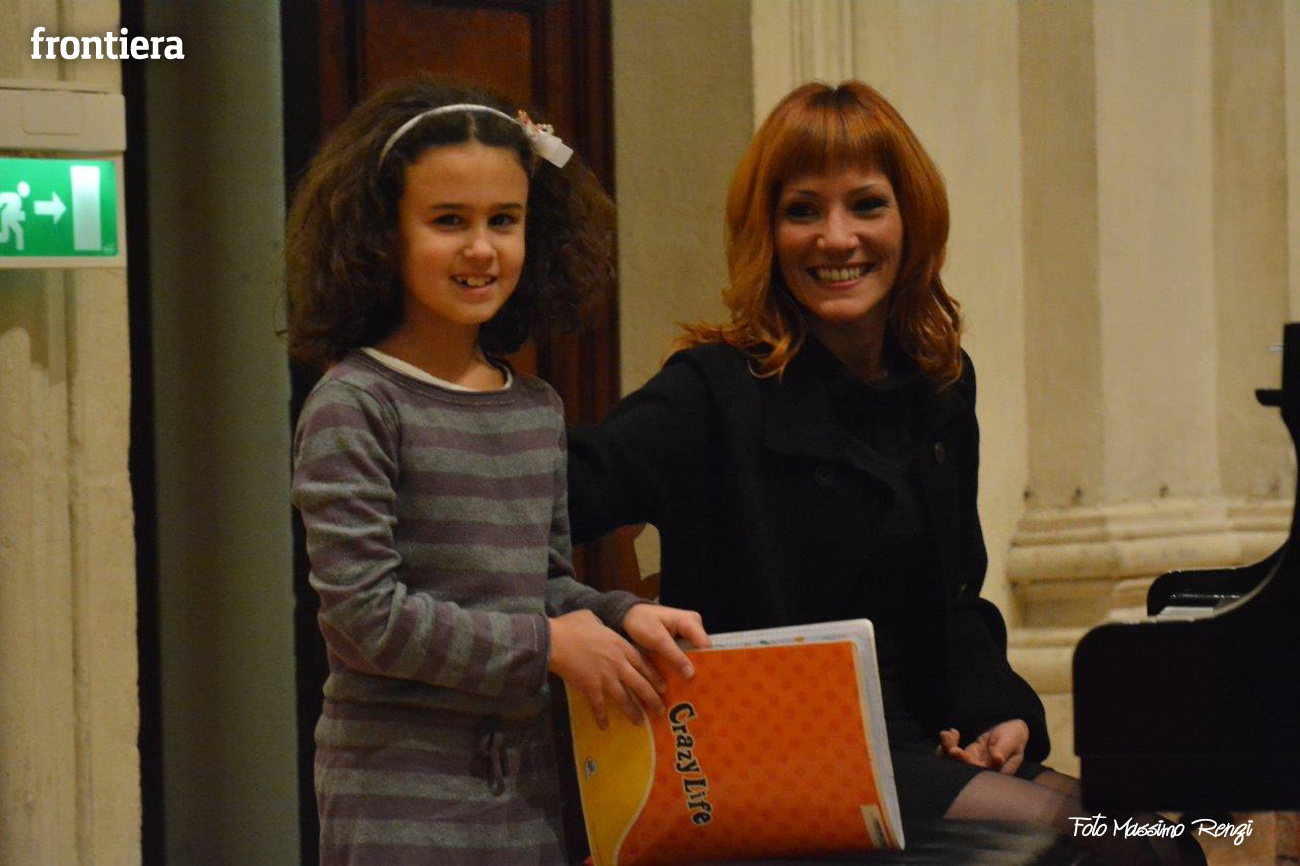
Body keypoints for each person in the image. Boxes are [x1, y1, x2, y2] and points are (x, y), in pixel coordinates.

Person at [567, 81, 1203, 864]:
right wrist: (592, 615)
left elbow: (956, 599)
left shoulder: (939, 383)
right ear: (767, 232)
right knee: (1110, 847)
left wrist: (1001, 715)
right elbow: (550, 498)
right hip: (776, 764)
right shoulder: (711, 392)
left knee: (1164, 841)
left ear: (911, 221)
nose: (837, 239)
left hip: (918, 745)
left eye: (866, 205)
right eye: (803, 210)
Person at [285, 76, 708, 865]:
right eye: (449, 220)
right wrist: (546, 647)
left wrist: (619, 615)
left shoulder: (534, 407)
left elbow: (539, 586)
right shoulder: (356, 404)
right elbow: (365, 619)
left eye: (503, 221)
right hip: (397, 801)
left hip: (527, 795)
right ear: (382, 234)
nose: (481, 248)